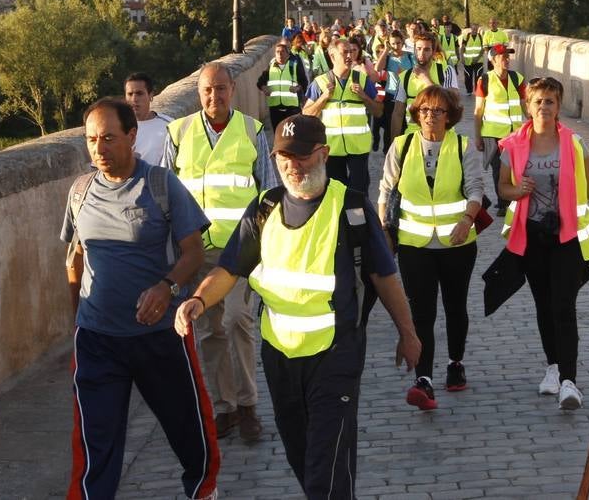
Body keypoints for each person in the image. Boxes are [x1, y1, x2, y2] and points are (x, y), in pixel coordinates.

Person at [175, 115, 420, 500]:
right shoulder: (264, 208)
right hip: (280, 357)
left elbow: (384, 277)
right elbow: (230, 267)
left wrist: (408, 335)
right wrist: (199, 299)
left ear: (323, 153)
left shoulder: (350, 208)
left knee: (327, 465)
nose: (292, 165)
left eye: (302, 156)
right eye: (284, 156)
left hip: (335, 355)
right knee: (302, 456)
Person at [64, 98, 219, 500]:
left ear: (132, 136)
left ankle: (202, 490)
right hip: (98, 340)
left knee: (186, 427)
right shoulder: (80, 191)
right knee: (96, 442)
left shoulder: (162, 185)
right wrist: (77, 319)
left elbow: (194, 252)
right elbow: (74, 258)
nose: (99, 148)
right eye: (91, 139)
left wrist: (166, 286)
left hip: (159, 336)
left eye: (109, 138)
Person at [165, 64, 278, 443]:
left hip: (241, 249)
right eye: (207, 90)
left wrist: (270, 244)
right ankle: (224, 407)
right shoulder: (178, 133)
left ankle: (247, 405)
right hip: (198, 252)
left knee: (238, 320)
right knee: (211, 330)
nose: (214, 97)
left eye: (221, 89)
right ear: (198, 93)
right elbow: (166, 194)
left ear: (233, 89)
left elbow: (269, 191)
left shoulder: (252, 130)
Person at [496, 77, 589, 411]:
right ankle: (553, 367)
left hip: (567, 238)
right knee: (544, 305)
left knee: (563, 306)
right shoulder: (513, 146)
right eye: (538, 101)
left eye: (550, 101)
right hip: (532, 237)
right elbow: (502, 189)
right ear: (528, 106)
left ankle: (569, 381)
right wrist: (516, 189)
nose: (544, 107)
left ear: (558, 107)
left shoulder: (574, 144)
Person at [377, 85, 486, 410]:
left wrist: (467, 219)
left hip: (457, 243)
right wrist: (384, 230)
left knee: (456, 308)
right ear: (416, 114)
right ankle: (423, 380)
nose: (430, 117)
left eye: (438, 111)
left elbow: (476, 188)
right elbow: (385, 190)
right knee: (422, 312)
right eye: (424, 111)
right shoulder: (402, 145)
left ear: (450, 115)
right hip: (414, 245)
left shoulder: (463, 146)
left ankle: (455, 362)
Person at [302, 38, 382, 199]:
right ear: (332, 56)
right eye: (344, 52)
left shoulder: (362, 79)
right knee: (335, 192)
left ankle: (359, 222)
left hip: (359, 148)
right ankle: (340, 222)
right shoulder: (320, 83)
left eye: (351, 52)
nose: (349, 56)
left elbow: (379, 111)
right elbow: (306, 115)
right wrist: (323, 98)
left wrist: (364, 96)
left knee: (359, 192)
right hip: (331, 149)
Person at [473, 44, 526, 215]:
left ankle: (514, 198)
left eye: (508, 56)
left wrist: (535, 121)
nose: (507, 59)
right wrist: (478, 136)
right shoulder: (485, 80)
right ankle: (503, 203)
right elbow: (478, 111)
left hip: (515, 134)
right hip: (492, 135)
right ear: (493, 59)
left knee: (516, 168)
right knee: (498, 169)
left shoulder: (517, 78)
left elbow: (525, 105)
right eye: (503, 56)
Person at [390, 33, 458, 137]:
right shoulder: (405, 77)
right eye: (418, 49)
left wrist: (425, 78)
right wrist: (394, 144)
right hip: (413, 137)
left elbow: (452, 103)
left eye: (426, 49)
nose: (421, 53)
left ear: (433, 51)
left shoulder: (446, 71)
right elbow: (397, 113)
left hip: (442, 136)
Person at [371, 29, 412, 153]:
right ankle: (390, 152)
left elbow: (416, 73)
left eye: (398, 43)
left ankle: (406, 151)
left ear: (403, 42)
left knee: (406, 125)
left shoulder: (410, 56)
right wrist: (385, 50)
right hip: (391, 96)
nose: (396, 46)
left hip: (407, 95)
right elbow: (377, 68)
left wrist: (404, 74)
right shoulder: (388, 58)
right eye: (393, 43)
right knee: (391, 127)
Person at [257, 39, 309, 131]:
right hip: (275, 108)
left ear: (288, 54)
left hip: (292, 108)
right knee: (278, 134)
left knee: (292, 135)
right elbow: (260, 82)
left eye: (282, 52)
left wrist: (297, 88)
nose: (280, 54)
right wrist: (264, 88)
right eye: (277, 52)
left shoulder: (294, 65)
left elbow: (304, 82)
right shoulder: (271, 66)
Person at [125, 72, 173, 166]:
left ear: (151, 95)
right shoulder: (116, 126)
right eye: (130, 94)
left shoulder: (169, 125)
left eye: (139, 93)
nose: (134, 99)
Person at [459, 24, 485, 89]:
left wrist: (477, 58)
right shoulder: (466, 36)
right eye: (473, 29)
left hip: (478, 61)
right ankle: (469, 90)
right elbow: (462, 47)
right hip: (468, 61)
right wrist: (461, 57)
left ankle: (478, 90)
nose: (474, 30)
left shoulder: (481, 37)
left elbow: (483, 49)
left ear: (478, 29)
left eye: (476, 29)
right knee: (468, 76)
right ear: (471, 29)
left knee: (478, 75)